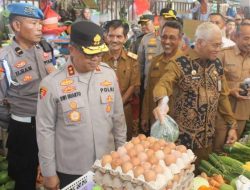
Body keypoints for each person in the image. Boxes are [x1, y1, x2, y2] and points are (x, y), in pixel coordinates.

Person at [36, 21, 127, 189]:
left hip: (107, 163)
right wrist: (49, 172)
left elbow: (118, 118)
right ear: (72, 50)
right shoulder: (52, 84)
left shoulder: (108, 74)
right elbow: (45, 130)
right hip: (71, 169)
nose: (96, 59)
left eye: (99, 54)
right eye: (89, 54)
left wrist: (122, 155)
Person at [153, 22, 238, 169]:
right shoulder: (180, 64)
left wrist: (232, 125)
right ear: (199, 43)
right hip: (182, 143)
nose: (219, 49)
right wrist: (162, 102)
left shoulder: (216, 65)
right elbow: (163, 84)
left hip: (207, 141)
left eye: (220, 45)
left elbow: (223, 96)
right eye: (215, 45)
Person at [0, 3, 55, 190]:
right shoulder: (5, 58)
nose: (40, 28)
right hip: (24, 129)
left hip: (47, 125)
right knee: (25, 180)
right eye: (34, 23)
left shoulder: (42, 50)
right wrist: (14, 123)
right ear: (17, 26)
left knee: (48, 176)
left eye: (40, 23)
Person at [141, 20, 183, 135]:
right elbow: (149, 90)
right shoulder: (155, 61)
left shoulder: (185, 62)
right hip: (156, 120)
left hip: (176, 123)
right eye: (164, 37)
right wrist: (145, 115)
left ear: (180, 38)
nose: (167, 41)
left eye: (172, 38)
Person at [214, 23, 250, 152]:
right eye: (246, 38)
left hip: (242, 113)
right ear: (236, 36)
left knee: (231, 151)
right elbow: (212, 82)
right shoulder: (223, 55)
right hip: (222, 113)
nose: (249, 42)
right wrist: (230, 90)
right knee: (217, 150)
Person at [102, 20, 140, 141]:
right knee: (104, 141)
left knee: (124, 142)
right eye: (111, 36)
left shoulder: (132, 60)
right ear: (106, 37)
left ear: (125, 38)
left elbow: (133, 85)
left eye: (119, 36)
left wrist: (118, 104)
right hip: (101, 109)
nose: (114, 40)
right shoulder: (98, 58)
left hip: (124, 109)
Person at [138, 8, 177, 90]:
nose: (168, 22)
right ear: (159, 19)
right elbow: (140, 65)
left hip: (170, 90)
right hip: (149, 88)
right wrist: (137, 85)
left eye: (171, 20)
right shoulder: (146, 39)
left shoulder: (179, 41)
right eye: (166, 19)